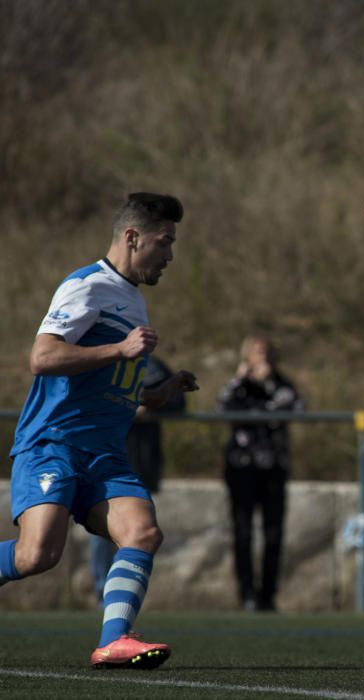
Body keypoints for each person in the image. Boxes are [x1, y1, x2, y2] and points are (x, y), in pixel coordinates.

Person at [4, 192, 198, 669]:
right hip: (54, 445)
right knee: (37, 556)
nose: (170, 255)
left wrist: (160, 393)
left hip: (104, 454)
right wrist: (119, 350)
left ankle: (114, 639)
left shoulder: (133, 303)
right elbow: (42, 358)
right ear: (133, 238)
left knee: (143, 531)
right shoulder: (87, 285)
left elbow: (118, 390)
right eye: (164, 242)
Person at [89, 355, 186, 603]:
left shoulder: (152, 366)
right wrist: (129, 409)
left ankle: (123, 597)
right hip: (105, 460)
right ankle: (104, 591)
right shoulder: (98, 360)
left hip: (141, 461)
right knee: (103, 531)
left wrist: (153, 403)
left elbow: (178, 402)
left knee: (141, 531)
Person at [218, 334, 303, 612]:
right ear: (246, 357)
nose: (262, 358)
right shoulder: (239, 386)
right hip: (241, 468)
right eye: (256, 352)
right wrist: (242, 379)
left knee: (273, 534)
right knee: (242, 532)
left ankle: (268, 595)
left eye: (265, 352)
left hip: (273, 468)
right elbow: (223, 404)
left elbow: (292, 405)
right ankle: (246, 595)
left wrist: (267, 383)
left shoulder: (281, 384)